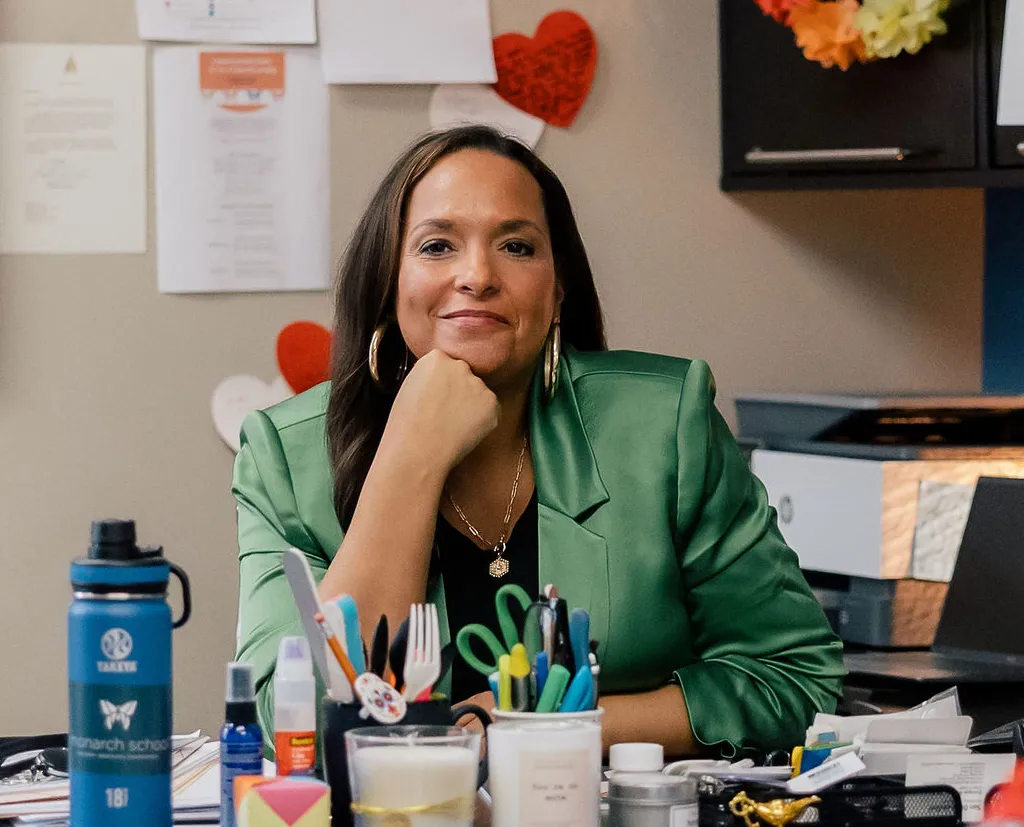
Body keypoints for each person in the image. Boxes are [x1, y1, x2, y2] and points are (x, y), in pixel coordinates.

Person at [232, 125, 845, 758]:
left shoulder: (665, 424)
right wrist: (410, 452)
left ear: (557, 292)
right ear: (387, 283)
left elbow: (795, 679)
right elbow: (289, 724)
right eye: (437, 245)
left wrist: (542, 730)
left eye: (517, 246)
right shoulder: (284, 457)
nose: (477, 275)